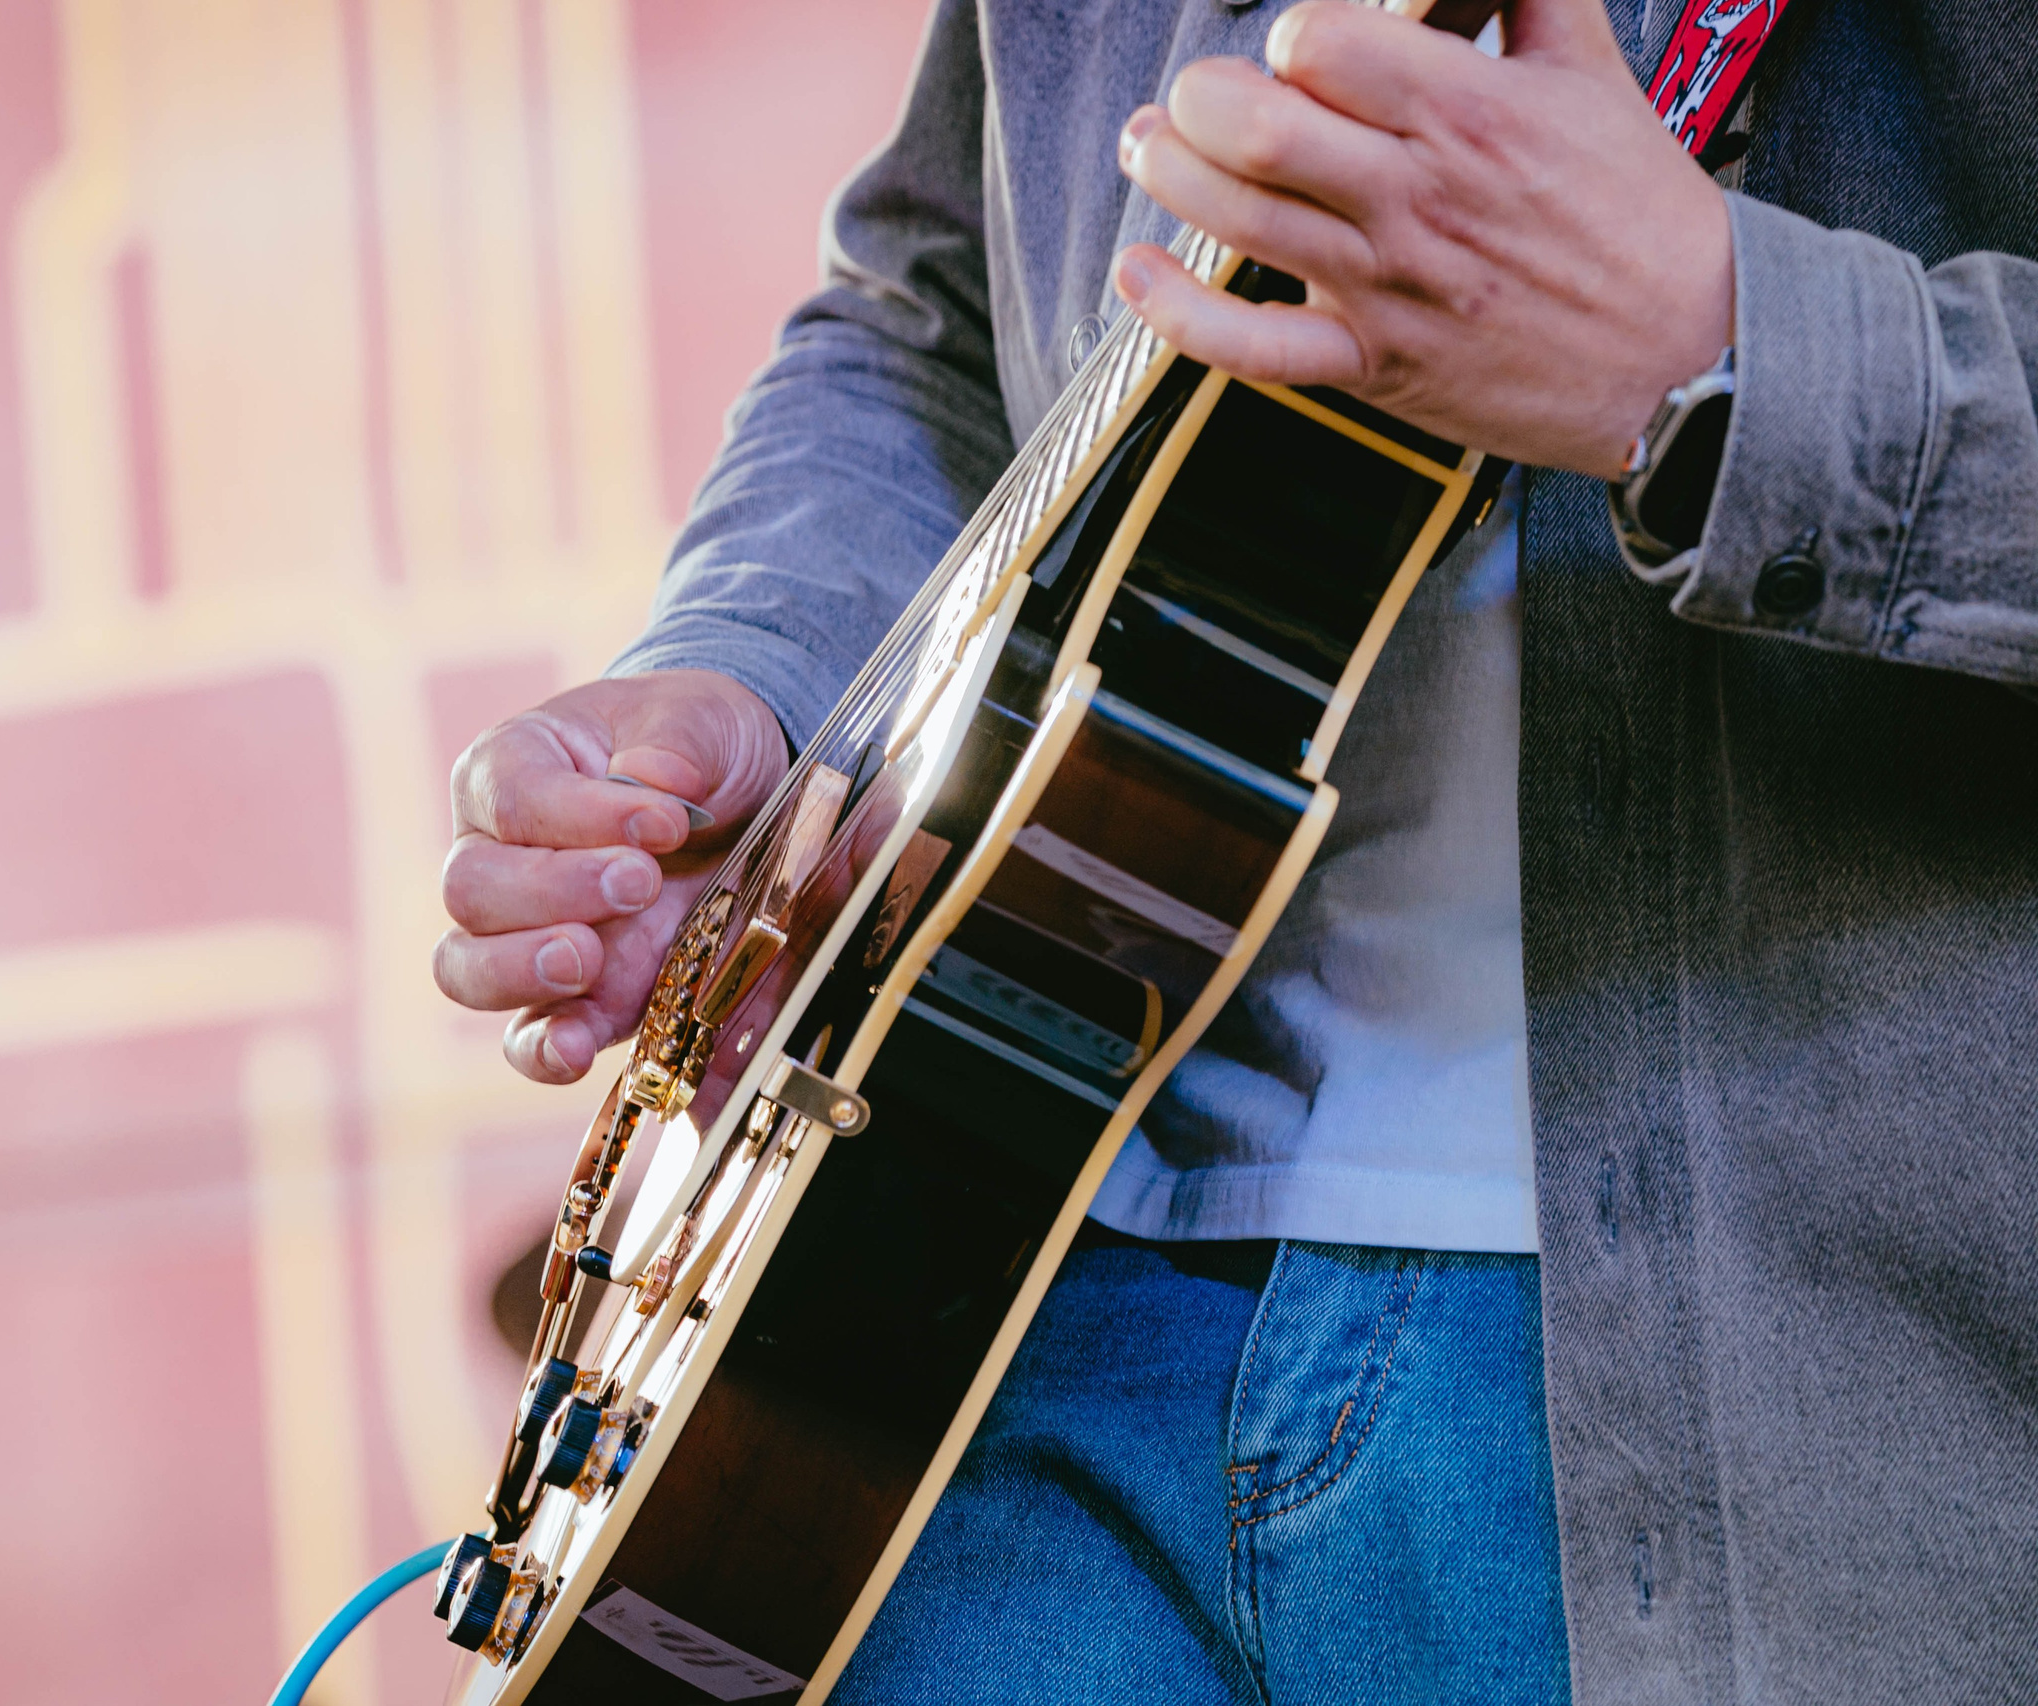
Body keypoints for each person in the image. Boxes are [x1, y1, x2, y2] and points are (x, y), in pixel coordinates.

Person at [431, 0, 2038, 1699]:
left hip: (1830, 1383)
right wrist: (760, 666)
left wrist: (1725, 348)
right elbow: (939, 305)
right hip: (1000, 1305)